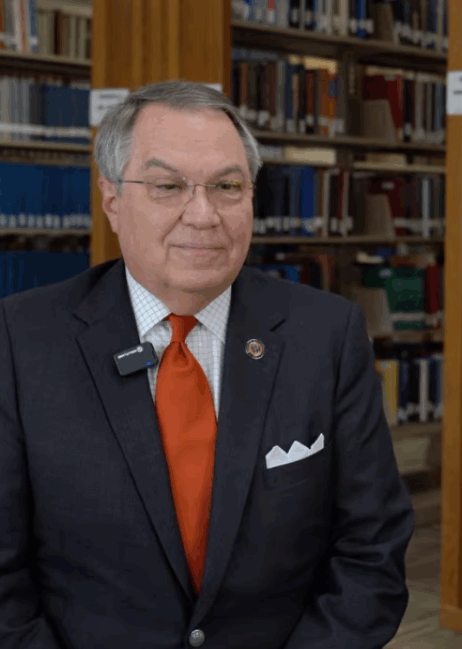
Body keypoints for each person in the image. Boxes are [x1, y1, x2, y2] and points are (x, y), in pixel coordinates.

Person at [0, 80, 414, 649]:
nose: (204, 215)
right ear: (113, 200)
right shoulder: (20, 341)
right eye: (168, 186)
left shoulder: (327, 334)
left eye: (226, 186)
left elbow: (372, 548)